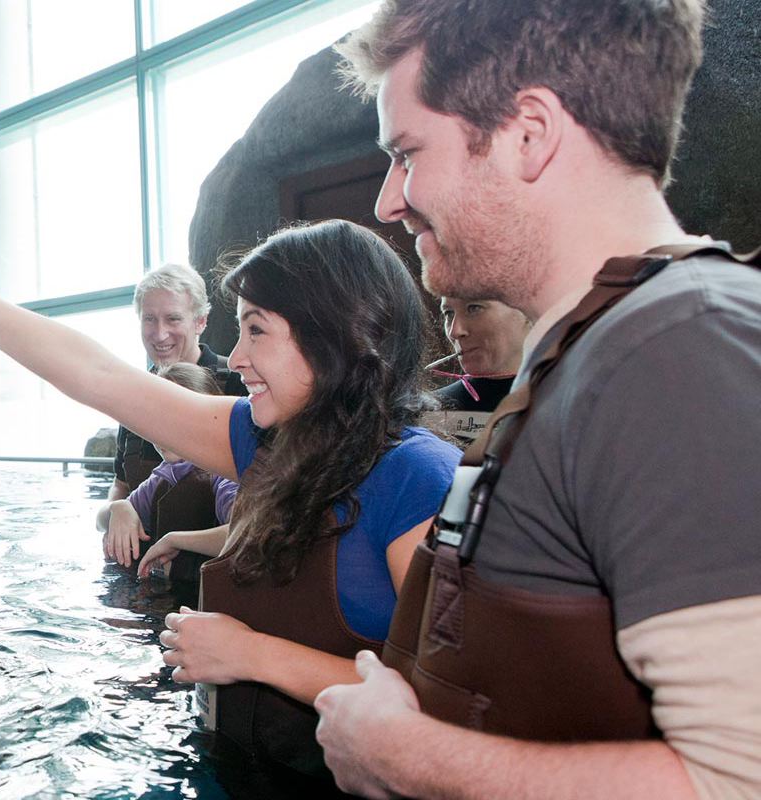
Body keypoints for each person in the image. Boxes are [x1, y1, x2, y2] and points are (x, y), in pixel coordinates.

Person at [0, 219, 462, 785]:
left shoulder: (420, 476)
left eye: (256, 331)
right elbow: (99, 376)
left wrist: (251, 655)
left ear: (333, 338)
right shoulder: (269, 442)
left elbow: (447, 703)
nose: (235, 358)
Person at [314, 1, 761, 798]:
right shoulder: (595, 347)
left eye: (407, 153)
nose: (389, 202)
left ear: (529, 132)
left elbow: (738, 777)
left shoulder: (675, 351)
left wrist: (403, 756)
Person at [109, 263, 244, 504]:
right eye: (149, 319)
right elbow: (120, 487)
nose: (160, 334)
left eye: (173, 319)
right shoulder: (133, 397)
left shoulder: (239, 383)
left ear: (200, 322)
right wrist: (115, 511)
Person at [97, 362, 237, 584]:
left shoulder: (225, 473)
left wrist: (175, 540)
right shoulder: (164, 476)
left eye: (174, 417)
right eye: (153, 419)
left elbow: (248, 533)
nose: (160, 430)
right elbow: (100, 522)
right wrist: (119, 507)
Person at [428, 297, 530, 412]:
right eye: (449, 314)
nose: (455, 332)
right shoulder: (427, 413)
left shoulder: (553, 405)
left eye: (473, 308)